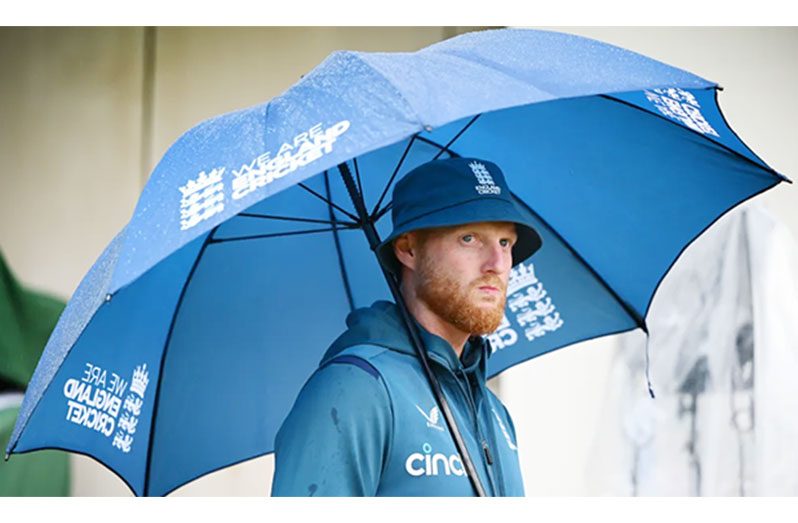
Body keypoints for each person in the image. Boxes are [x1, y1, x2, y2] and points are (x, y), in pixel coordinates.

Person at [271, 157, 543, 496]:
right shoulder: (355, 389)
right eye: (469, 238)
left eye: (505, 242)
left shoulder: (495, 414)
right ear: (408, 249)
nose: (498, 264)